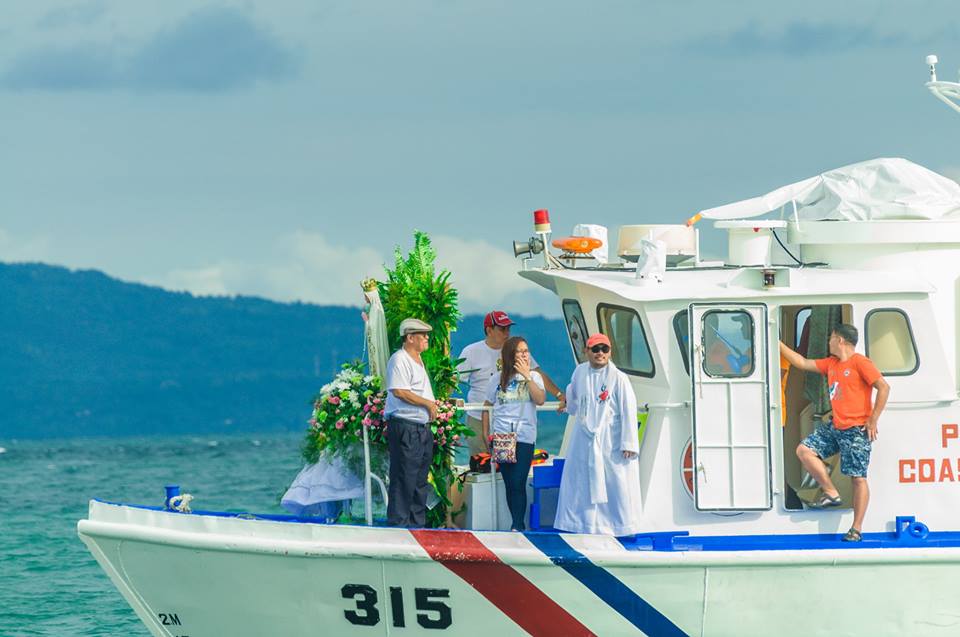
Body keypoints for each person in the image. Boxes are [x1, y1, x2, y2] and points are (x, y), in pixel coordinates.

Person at [779, 323, 890, 542]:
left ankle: (856, 529)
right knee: (804, 450)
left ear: (840, 340)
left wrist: (873, 419)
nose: (828, 342)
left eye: (830, 338)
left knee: (858, 478)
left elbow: (884, 387)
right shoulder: (831, 364)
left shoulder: (860, 362)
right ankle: (831, 492)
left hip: (857, 429)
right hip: (836, 426)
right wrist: (777, 343)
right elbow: (801, 362)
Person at [554, 333, 643, 536]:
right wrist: (566, 403)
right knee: (580, 479)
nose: (600, 353)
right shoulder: (579, 372)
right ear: (587, 351)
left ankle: (619, 526)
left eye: (604, 349)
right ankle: (580, 524)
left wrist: (628, 443)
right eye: (595, 349)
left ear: (610, 352)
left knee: (615, 481)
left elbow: (629, 410)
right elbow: (574, 398)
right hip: (584, 437)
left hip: (610, 438)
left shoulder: (619, 378)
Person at [458, 310, 564, 456]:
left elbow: (537, 374)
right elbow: (454, 380)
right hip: (478, 416)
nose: (507, 332)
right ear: (489, 330)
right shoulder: (471, 351)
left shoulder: (516, 350)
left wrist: (559, 395)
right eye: (502, 329)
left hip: (507, 421)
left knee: (506, 466)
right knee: (482, 464)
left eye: (508, 328)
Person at [480, 336, 545, 531]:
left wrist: (527, 376)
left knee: (519, 480)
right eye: (520, 351)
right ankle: (516, 523)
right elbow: (487, 406)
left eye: (526, 351)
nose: (525, 355)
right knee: (510, 483)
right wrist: (485, 434)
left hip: (524, 435)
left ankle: (518, 524)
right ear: (510, 354)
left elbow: (540, 399)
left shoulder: (535, 377)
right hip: (502, 436)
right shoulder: (497, 379)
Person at [384, 317, 438, 527]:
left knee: (419, 480)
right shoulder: (400, 359)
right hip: (406, 425)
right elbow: (399, 390)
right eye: (423, 335)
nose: (426, 338)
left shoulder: (417, 360)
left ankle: (416, 525)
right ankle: (399, 525)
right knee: (404, 478)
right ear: (410, 337)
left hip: (420, 427)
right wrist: (427, 403)